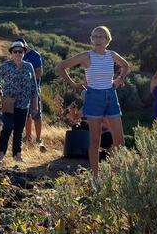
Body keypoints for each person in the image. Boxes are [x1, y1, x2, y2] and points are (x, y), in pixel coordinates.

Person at [55, 25, 132, 178]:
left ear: (107, 40)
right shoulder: (86, 56)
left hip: (111, 96)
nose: (98, 39)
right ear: (91, 39)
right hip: (93, 97)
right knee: (95, 140)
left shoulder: (112, 55)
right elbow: (61, 67)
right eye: (95, 36)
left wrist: (119, 79)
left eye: (101, 36)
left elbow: (126, 66)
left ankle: (112, 175)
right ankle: (96, 177)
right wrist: (74, 84)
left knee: (120, 141)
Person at [0, 40, 38, 164]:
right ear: (11, 53)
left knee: (18, 130)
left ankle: (17, 155)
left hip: (24, 104)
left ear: (24, 53)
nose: (18, 53)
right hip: (9, 103)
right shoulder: (6, 65)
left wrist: (34, 104)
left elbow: (34, 87)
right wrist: (1, 94)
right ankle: (0, 154)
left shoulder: (29, 66)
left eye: (20, 51)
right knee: (7, 127)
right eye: (15, 51)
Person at [16, 38, 46, 150]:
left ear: (25, 45)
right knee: (26, 114)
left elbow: (39, 71)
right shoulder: (18, 55)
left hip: (33, 90)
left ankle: (38, 139)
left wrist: (29, 81)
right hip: (21, 91)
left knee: (36, 115)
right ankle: (28, 136)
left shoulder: (35, 55)